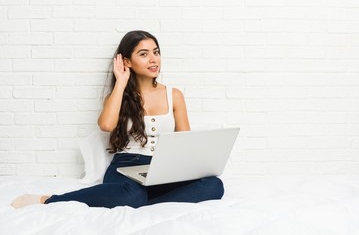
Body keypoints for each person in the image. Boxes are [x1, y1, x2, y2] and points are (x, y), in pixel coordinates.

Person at [11, 30, 224, 209]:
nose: (153, 59)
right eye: (144, 54)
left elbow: (185, 142)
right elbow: (106, 125)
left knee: (214, 185)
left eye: (156, 52)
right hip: (127, 167)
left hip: (164, 167)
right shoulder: (118, 96)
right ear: (127, 61)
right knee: (130, 194)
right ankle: (49, 199)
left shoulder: (174, 94)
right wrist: (121, 82)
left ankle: (143, 202)